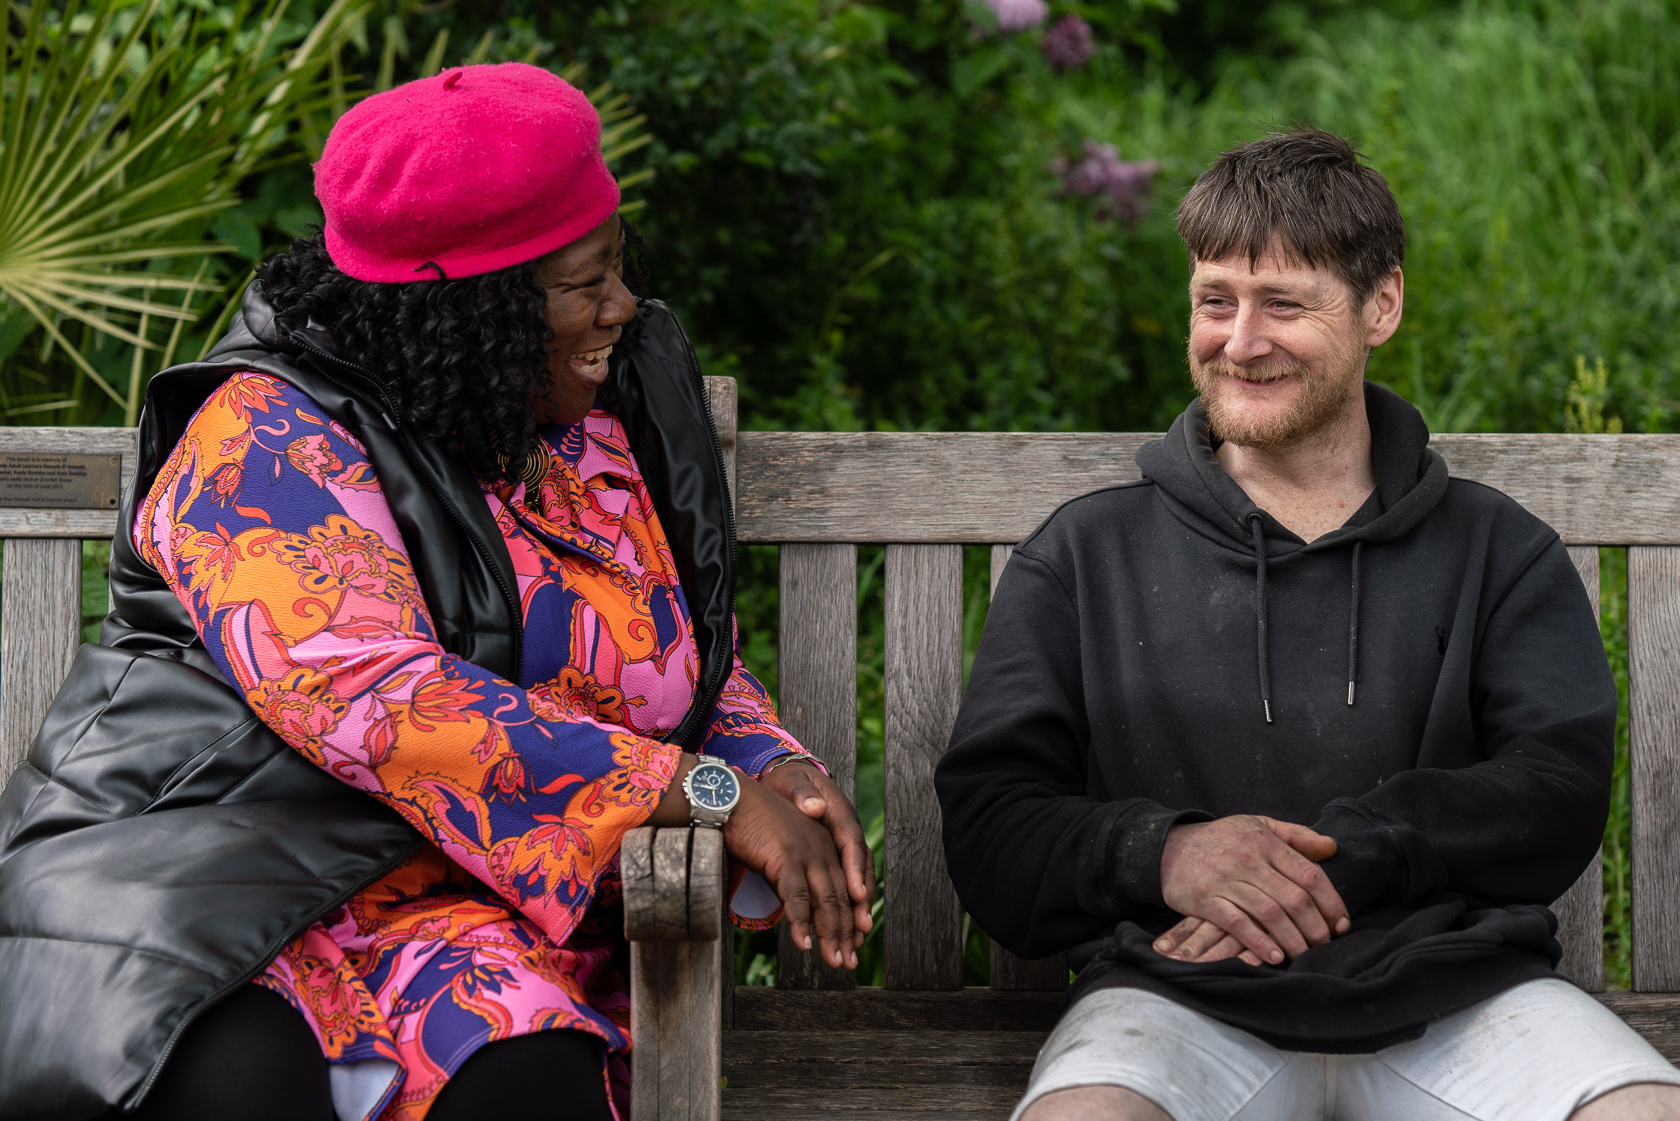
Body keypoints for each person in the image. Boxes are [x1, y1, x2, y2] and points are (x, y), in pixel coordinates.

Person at [0, 64, 872, 1121]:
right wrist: (705, 793)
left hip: (467, 913)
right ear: (474, 309)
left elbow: (687, 664)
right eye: (583, 281)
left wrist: (774, 765)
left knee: (528, 1083)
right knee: (252, 1089)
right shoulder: (261, 445)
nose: (623, 304)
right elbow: (379, 699)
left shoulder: (599, 424)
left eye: (619, 265)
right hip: (209, 892)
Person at [936, 129, 1680, 1121]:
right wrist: (1171, 855)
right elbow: (992, 828)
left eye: (1284, 302)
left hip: (1457, 995)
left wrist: (1354, 850)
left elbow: (1555, 787)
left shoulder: (1500, 552)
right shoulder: (1083, 557)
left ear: (1383, 305)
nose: (1240, 340)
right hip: (1174, 997)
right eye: (1216, 300)